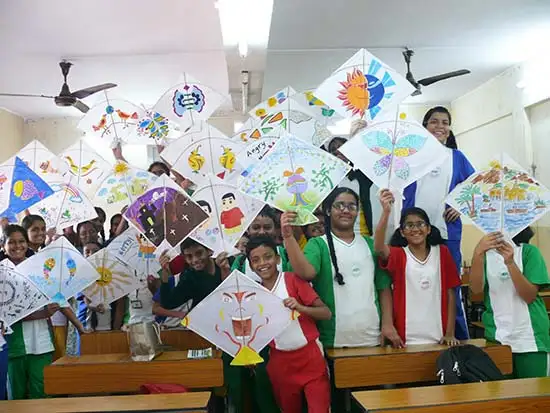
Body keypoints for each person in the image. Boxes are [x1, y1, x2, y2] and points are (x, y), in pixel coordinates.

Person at [282, 187, 397, 411]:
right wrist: (288, 237)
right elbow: (305, 272)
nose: (345, 210)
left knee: (370, 403)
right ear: (328, 210)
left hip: (371, 338)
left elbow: (383, 288)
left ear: (358, 212)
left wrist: (387, 324)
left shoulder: (369, 244)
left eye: (351, 206)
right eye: (339, 205)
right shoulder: (318, 244)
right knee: (337, 405)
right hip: (334, 341)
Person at [403, 106, 475, 340]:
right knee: (413, 285)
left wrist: (459, 205)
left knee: (450, 286)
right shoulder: (410, 157)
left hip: (446, 233)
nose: (440, 126)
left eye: (445, 122)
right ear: (425, 126)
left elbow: (475, 187)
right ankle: (415, 336)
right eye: (434, 121)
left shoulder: (456, 157)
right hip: (412, 234)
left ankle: (458, 337)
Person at [247, 235, 331, 413]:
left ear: (278, 258)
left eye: (268, 256)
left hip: (310, 357)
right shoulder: (253, 294)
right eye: (255, 260)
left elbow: (326, 313)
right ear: (250, 266)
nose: (263, 263)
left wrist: (300, 308)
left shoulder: (293, 280)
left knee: (320, 409)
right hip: (280, 362)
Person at [375, 190, 461, 347]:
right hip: (404, 338)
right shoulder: (399, 254)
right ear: (402, 232)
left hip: (438, 336)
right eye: (409, 225)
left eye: (420, 224)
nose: (415, 229)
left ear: (428, 229)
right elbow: (379, 248)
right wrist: (386, 211)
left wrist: (450, 333)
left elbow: (451, 294)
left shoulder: (442, 252)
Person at [469, 227, 550, 378]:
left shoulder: (529, 252)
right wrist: (478, 253)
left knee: (534, 396)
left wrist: (510, 263)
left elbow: (529, 296)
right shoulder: (485, 255)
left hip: (530, 337)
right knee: (502, 397)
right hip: (497, 337)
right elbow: (476, 291)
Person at [1, 225, 59, 399]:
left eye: (22, 241)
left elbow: (55, 295)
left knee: (41, 391)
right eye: (12, 242)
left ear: (27, 243)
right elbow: (6, 313)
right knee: (15, 395)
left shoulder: (41, 269)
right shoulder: (2, 272)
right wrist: (42, 313)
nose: (17, 246)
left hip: (40, 341)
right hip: (12, 344)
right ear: (3, 245)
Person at [20, 216, 88, 359]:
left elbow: (56, 294)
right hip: (25, 330)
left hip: (47, 324)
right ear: (25, 232)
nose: (40, 233)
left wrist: (78, 325)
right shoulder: (22, 260)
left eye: (43, 229)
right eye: (35, 229)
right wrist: (78, 325)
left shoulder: (42, 256)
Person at [231, 206, 292, 282]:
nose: (262, 232)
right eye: (256, 228)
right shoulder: (240, 262)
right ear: (248, 230)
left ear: (275, 229)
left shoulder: (287, 255)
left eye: (267, 227)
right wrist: (224, 270)